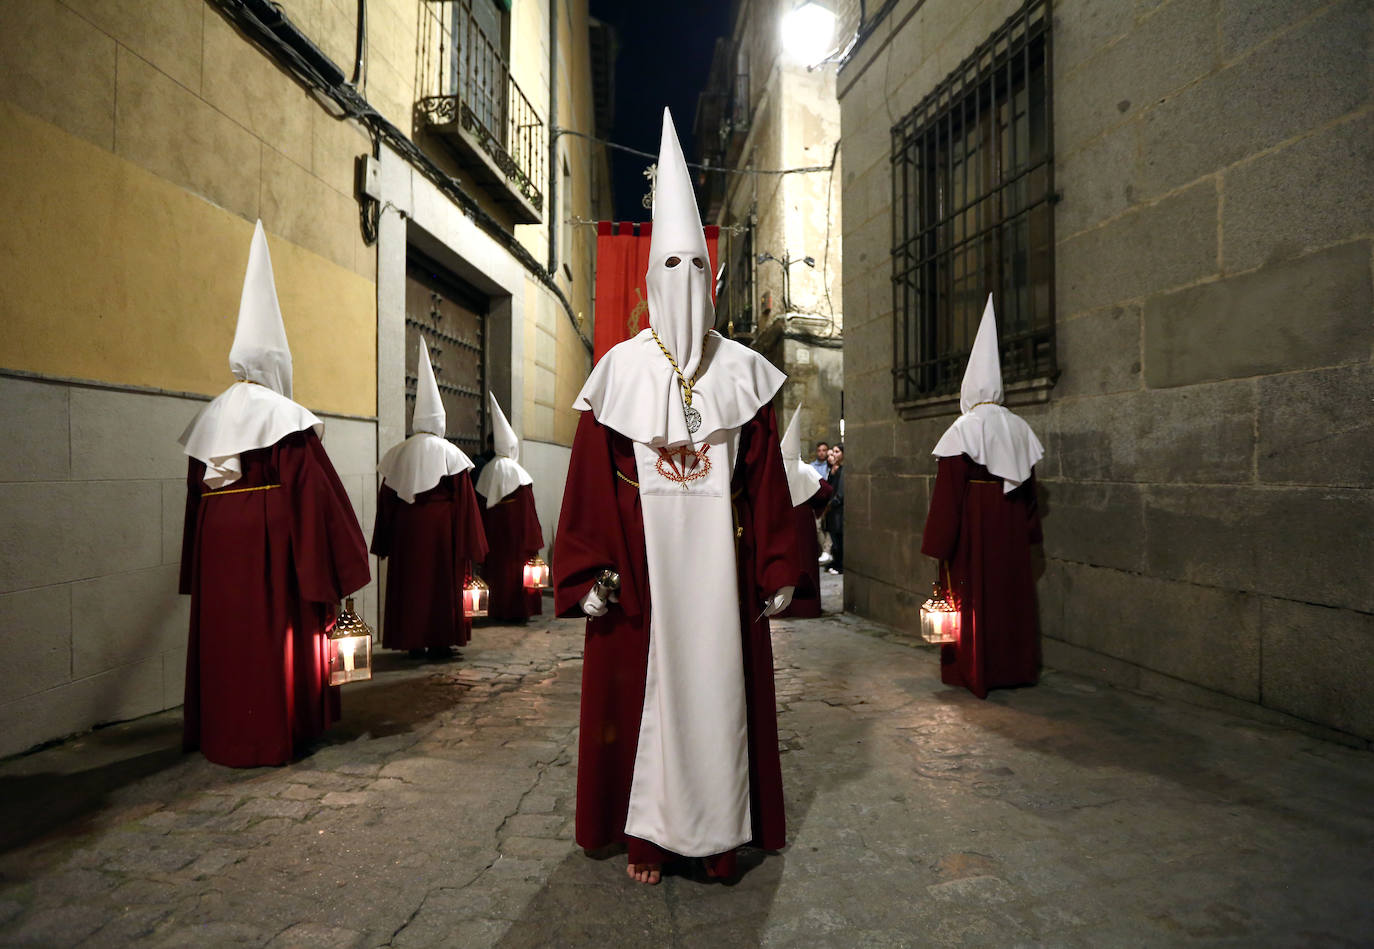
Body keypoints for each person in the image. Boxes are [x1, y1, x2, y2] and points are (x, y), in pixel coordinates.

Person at [552, 108, 799, 886]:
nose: (685, 283)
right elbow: (590, 488)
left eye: (698, 267)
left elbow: (763, 481)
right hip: (645, 575)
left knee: (717, 698)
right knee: (646, 698)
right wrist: (589, 570)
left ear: (712, 276)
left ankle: (719, 838)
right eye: (671, 268)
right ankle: (650, 839)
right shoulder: (621, 372)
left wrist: (779, 564)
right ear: (653, 273)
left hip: (719, 577)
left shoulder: (741, 374)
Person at [178, 220, 370, 767]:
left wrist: (196, 560)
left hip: (219, 542)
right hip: (270, 538)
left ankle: (223, 730)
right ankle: (269, 732)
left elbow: (197, 494)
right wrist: (338, 560)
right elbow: (313, 495)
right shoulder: (285, 419)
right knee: (270, 634)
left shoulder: (210, 416)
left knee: (226, 635)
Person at [921, 294, 1044, 699]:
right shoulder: (1019, 428)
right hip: (1008, 526)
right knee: (1010, 597)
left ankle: (975, 670)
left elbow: (949, 490)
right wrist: (1028, 533)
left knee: (973, 596)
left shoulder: (964, 429)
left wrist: (940, 543)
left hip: (974, 525)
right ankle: (1015, 668)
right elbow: (1028, 494)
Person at [371, 340, 489, 659]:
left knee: (410, 584)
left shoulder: (398, 454)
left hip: (407, 531)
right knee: (440, 585)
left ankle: (412, 640)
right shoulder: (450, 454)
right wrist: (471, 543)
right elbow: (464, 501)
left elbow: (387, 500)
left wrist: (383, 540)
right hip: (441, 533)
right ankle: (440, 640)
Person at [475, 393, 544, 622]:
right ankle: (517, 612)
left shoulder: (488, 471)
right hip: (517, 536)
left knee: (496, 573)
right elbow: (528, 510)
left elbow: (482, 504)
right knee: (516, 575)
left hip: (494, 535)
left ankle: (495, 611)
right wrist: (534, 538)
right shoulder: (518, 473)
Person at [777, 406, 834, 618]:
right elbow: (826, 491)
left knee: (782, 564)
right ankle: (806, 607)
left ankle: (780, 609)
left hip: (780, 520)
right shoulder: (804, 469)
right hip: (802, 522)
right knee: (805, 562)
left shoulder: (775, 468)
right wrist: (814, 505)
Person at [824, 445, 844, 574]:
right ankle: (836, 563)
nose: (834, 455)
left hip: (838, 510)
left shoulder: (843, 470)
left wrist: (831, 504)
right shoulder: (835, 470)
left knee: (839, 540)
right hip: (832, 510)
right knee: (835, 538)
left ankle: (839, 565)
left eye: (837, 452)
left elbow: (840, 492)